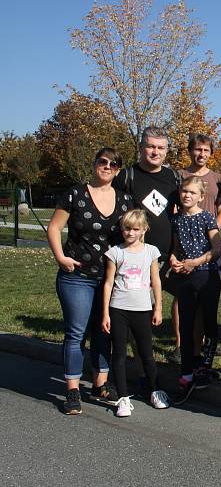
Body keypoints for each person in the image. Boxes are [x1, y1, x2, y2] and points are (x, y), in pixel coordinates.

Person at [48, 147, 133, 414]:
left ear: (118, 170)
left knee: (103, 331)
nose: (107, 167)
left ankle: (100, 384)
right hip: (77, 277)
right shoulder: (75, 194)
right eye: (102, 162)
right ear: (95, 163)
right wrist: (61, 257)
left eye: (113, 164)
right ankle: (72, 389)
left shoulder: (125, 200)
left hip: (109, 278)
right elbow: (54, 227)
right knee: (76, 332)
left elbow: (133, 235)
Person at [113, 127, 181, 373]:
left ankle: (183, 358)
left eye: (160, 148)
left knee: (183, 302)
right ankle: (144, 372)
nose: (155, 152)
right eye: (150, 146)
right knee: (140, 317)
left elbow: (178, 214)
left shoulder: (173, 177)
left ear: (166, 151)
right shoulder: (126, 176)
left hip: (166, 256)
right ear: (141, 147)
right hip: (136, 259)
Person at [101, 209, 170, 417]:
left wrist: (158, 307)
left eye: (135, 229)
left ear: (144, 230)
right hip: (118, 308)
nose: (130, 233)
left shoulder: (151, 251)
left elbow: (155, 281)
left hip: (142, 309)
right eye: (126, 229)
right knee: (120, 353)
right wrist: (105, 313)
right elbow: (108, 283)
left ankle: (154, 390)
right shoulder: (115, 252)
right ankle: (123, 397)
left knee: (146, 353)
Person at [173, 133, 221, 364]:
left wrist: (210, 232)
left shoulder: (219, 179)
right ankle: (181, 344)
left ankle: (204, 345)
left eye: (206, 150)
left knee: (206, 299)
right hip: (184, 243)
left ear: (211, 153)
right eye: (197, 149)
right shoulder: (180, 176)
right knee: (182, 298)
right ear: (190, 151)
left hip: (207, 243)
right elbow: (174, 209)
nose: (201, 154)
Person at [170, 176, 221, 404]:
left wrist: (197, 261)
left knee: (209, 322)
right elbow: (172, 247)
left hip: (206, 275)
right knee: (187, 322)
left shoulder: (207, 218)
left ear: (201, 196)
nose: (187, 196)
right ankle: (186, 373)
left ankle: (204, 367)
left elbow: (217, 248)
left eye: (192, 192)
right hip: (184, 277)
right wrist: (173, 259)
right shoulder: (175, 220)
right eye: (184, 191)